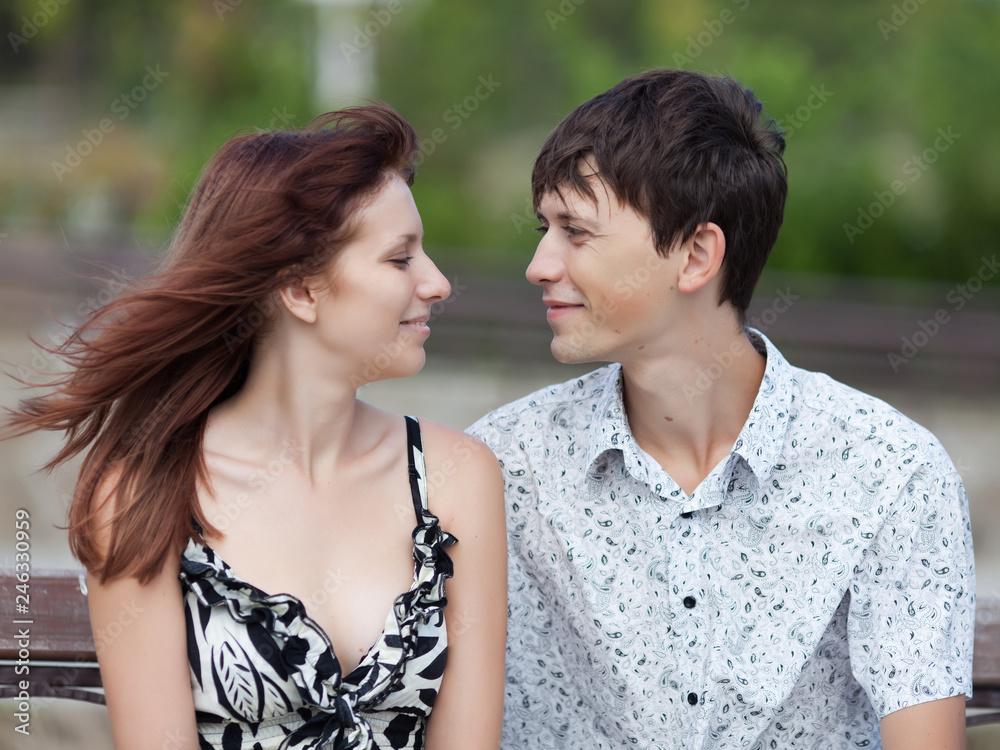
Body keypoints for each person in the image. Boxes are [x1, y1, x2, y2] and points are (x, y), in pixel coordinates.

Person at [468, 69, 974, 749]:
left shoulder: (888, 471)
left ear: (697, 255)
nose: (539, 264)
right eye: (544, 228)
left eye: (576, 232)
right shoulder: (500, 467)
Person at [6, 105, 507, 749]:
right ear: (299, 290)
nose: (437, 283)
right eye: (399, 259)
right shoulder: (146, 493)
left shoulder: (457, 478)